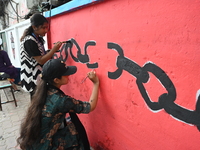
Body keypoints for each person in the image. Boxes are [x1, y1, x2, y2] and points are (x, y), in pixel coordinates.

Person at [17, 58, 100, 150]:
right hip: (45, 146)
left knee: (68, 121)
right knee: (74, 130)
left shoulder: (42, 92)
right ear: (56, 80)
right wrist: (96, 83)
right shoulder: (61, 101)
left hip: (33, 142)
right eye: (65, 74)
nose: (68, 75)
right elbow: (90, 106)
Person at [20, 13, 62, 96]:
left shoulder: (37, 38)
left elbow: (38, 54)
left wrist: (49, 51)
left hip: (38, 77)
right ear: (34, 27)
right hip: (32, 78)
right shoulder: (29, 41)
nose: (46, 30)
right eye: (43, 28)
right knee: (37, 104)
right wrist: (53, 50)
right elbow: (41, 60)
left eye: (47, 27)